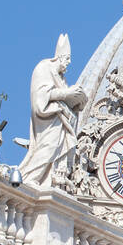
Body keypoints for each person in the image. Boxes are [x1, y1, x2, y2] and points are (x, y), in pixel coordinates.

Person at [20, 34, 87, 187]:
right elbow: (40, 96)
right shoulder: (44, 68)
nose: (69, 62)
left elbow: (63, 98)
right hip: (49, 119)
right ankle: (31, 178)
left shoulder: (61, 77)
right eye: (67, 58)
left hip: (60, 120)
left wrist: (77, 103)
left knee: (56, 148)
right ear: (60, 57)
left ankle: (47, 178)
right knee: (48, 147)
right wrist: (66, 94)